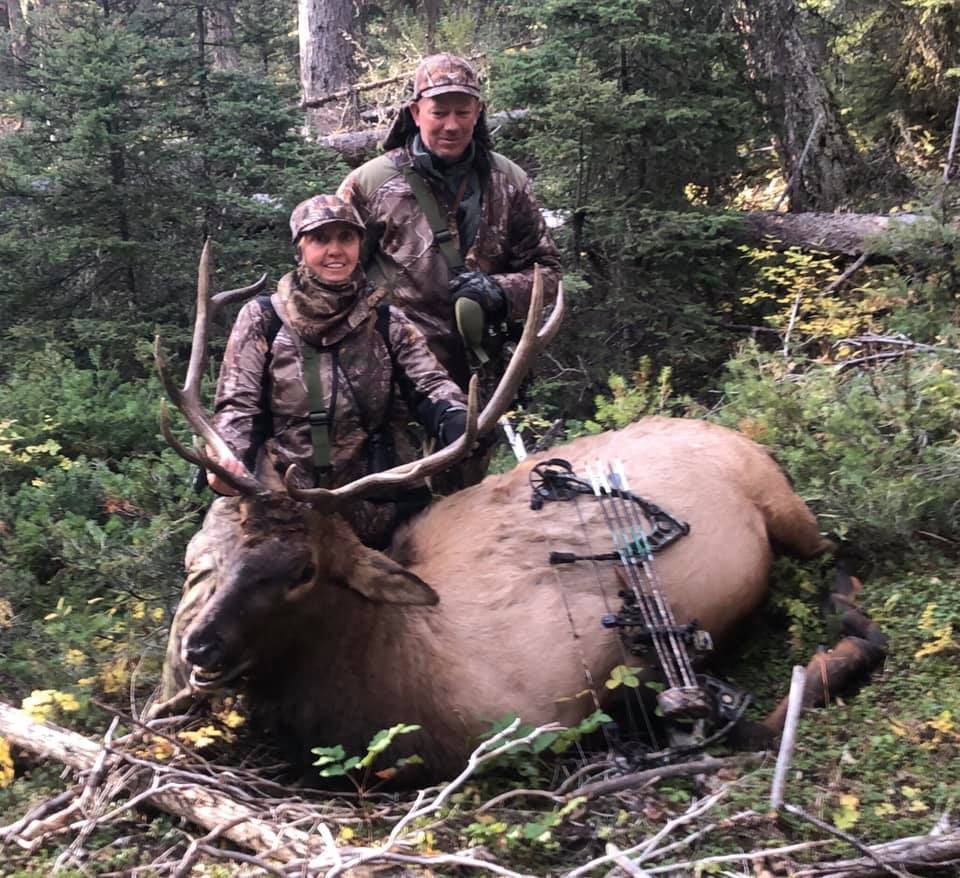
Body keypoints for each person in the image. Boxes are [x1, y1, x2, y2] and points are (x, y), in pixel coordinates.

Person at [207, 194, 469, 549]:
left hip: (379, 507)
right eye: (320, 239)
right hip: (285, 508)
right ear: (300, 249)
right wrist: (229, 458)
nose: (335, 250)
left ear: (360, 245)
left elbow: (431, 385)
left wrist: (455, 416)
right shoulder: (262, 318)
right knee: (217, 583)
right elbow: (238, 405)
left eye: (346, 238)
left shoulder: (387, 321)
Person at [337, 53, 563, 394]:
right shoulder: (369, 185)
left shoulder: (509, 181)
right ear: (415, 113)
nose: (452, 125)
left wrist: (498, 291)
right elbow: (329, 278)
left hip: (480, 378)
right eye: (439, 113)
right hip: (391, 379)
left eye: (463, 112)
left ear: (478, 113)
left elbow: (549, 274)